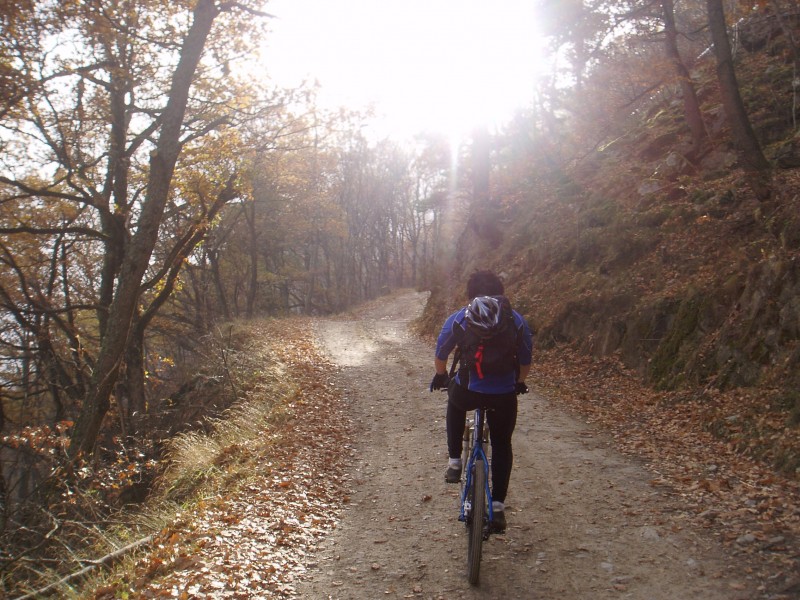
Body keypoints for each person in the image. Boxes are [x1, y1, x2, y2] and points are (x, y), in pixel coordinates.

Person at [430, 269, 533, 533]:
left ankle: (454, 461)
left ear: (470, 293)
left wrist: (441, 376)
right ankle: (497, 507)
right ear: (501, 291)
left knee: (454, 402)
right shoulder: (516, 320)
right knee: (501, 443)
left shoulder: (460, 318)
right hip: (503, 395)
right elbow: (525, 361)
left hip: (468, 392)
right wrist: (518, 383)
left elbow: (441, 353)